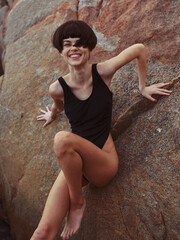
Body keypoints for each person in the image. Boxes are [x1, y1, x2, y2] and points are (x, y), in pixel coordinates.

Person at [30, 20, 172, 240]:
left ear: (89, 48)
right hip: (73, 163)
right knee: (41, 233)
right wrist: (52, 114)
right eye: (67, 44)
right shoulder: (57, 88)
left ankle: (77, 204)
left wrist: (142, 87)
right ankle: (74, 201)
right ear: (61, 52)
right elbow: (59, 106)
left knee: (62, 140)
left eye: (80, 43)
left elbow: (139, 49)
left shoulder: (103, 72)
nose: (74, 48)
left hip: (103, 163)